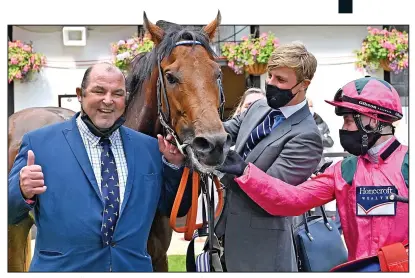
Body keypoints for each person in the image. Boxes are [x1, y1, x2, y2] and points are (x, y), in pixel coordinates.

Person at [8, 63, 192, 272]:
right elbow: (8, 213)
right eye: (99, 91)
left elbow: (173, 209)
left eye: (117, 93)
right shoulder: (39, 144)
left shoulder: (149, 148)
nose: (108, 100)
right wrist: (22, 191)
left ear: (125, 98)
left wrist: (174, 167)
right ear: (80, 94)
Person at [217, 76, 409, 262]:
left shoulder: (408, 165)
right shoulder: (343, 171)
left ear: (373, 121)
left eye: (348, 120)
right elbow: (292, 200)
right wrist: (244, 171)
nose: (343, 128)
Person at [214, 42, 323, 271]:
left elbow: (275, 194)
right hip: (223, 231)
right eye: (270, 76)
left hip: (261, 249)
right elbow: (224, 132)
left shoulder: (307, 136)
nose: (271, 84)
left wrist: (241, 168)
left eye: (281, 80)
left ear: (304, 85)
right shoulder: (258, 107)